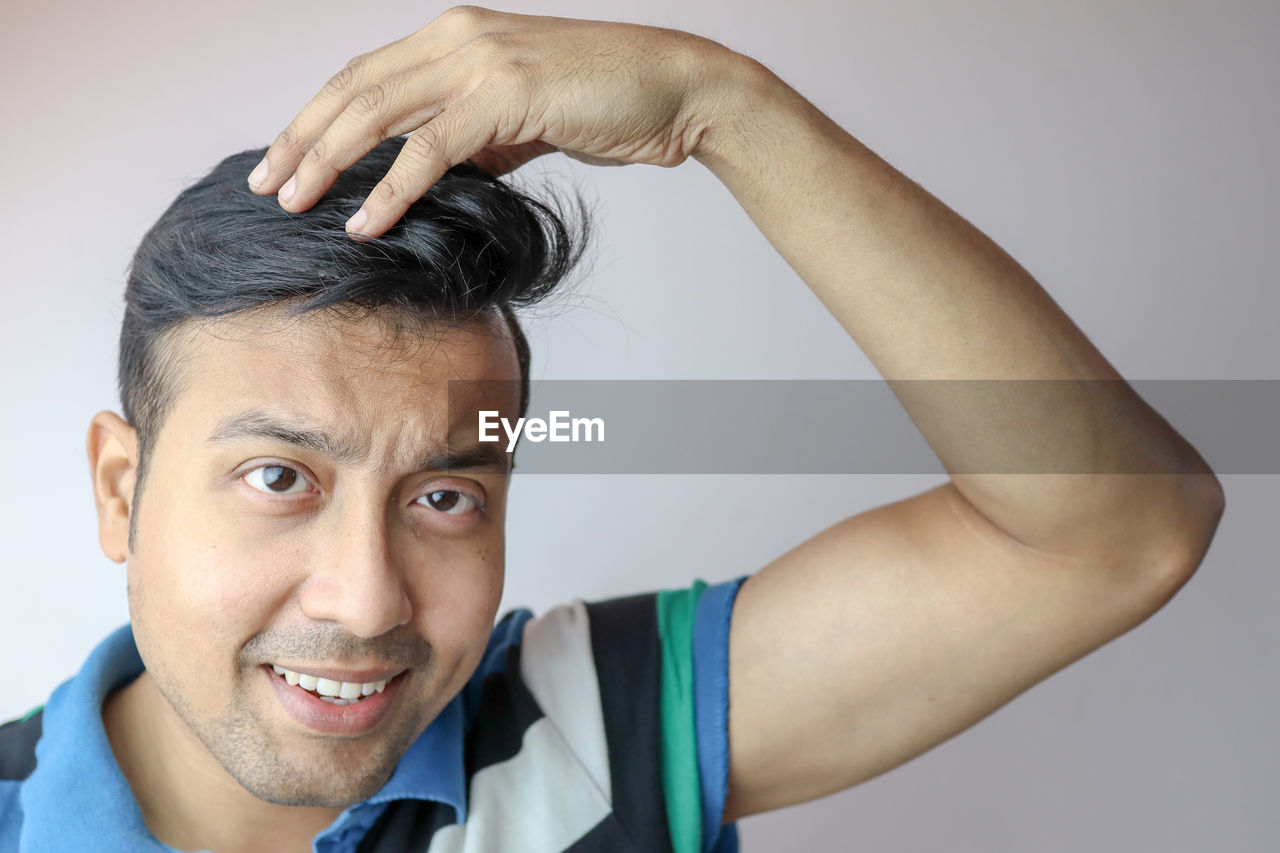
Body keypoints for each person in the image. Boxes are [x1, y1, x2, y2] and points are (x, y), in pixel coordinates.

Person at [0, 6, 1225, 852]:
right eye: (279, 475)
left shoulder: (591, 722)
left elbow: (1112, 531)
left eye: (445, 496)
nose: (368, 601)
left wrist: (718, 105)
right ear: (121, 487)